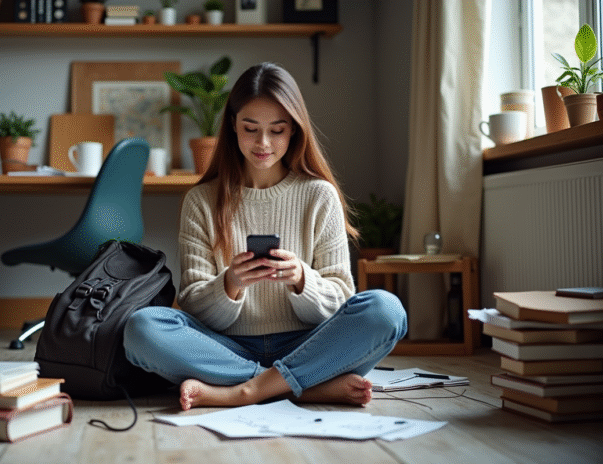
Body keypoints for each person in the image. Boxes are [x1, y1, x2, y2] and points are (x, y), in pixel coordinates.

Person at [124, 62, 407, 411]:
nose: (263, 143)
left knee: (386, 310)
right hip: (226, 347)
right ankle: (302, 386)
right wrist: (230, 283)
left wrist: (303, 279)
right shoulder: (201, 200)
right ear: (232, 126)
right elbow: (194, 303)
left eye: (277, 130)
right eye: (250, 128)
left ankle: (244, 391)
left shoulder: (319, 195)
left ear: (294, 132)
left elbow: (341, 299)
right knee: (142, 328)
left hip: (309, 344)